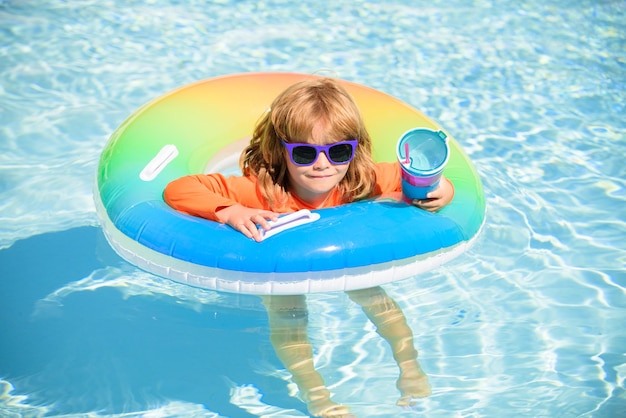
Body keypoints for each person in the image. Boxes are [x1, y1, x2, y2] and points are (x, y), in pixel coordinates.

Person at [164, 77, 453, 416]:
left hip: (345, 258)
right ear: (279, 152)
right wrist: (231, 210)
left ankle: (410, 368)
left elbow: (421, 180)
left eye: (338, 151)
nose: (322, 164)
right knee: (289, 317)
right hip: (282, 266)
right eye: (304, 153)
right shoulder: (258, 192)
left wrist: (441, 190)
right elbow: (180, 188)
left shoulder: (361, 179)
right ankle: (317, 395)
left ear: (354, 150)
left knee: (378, 301)